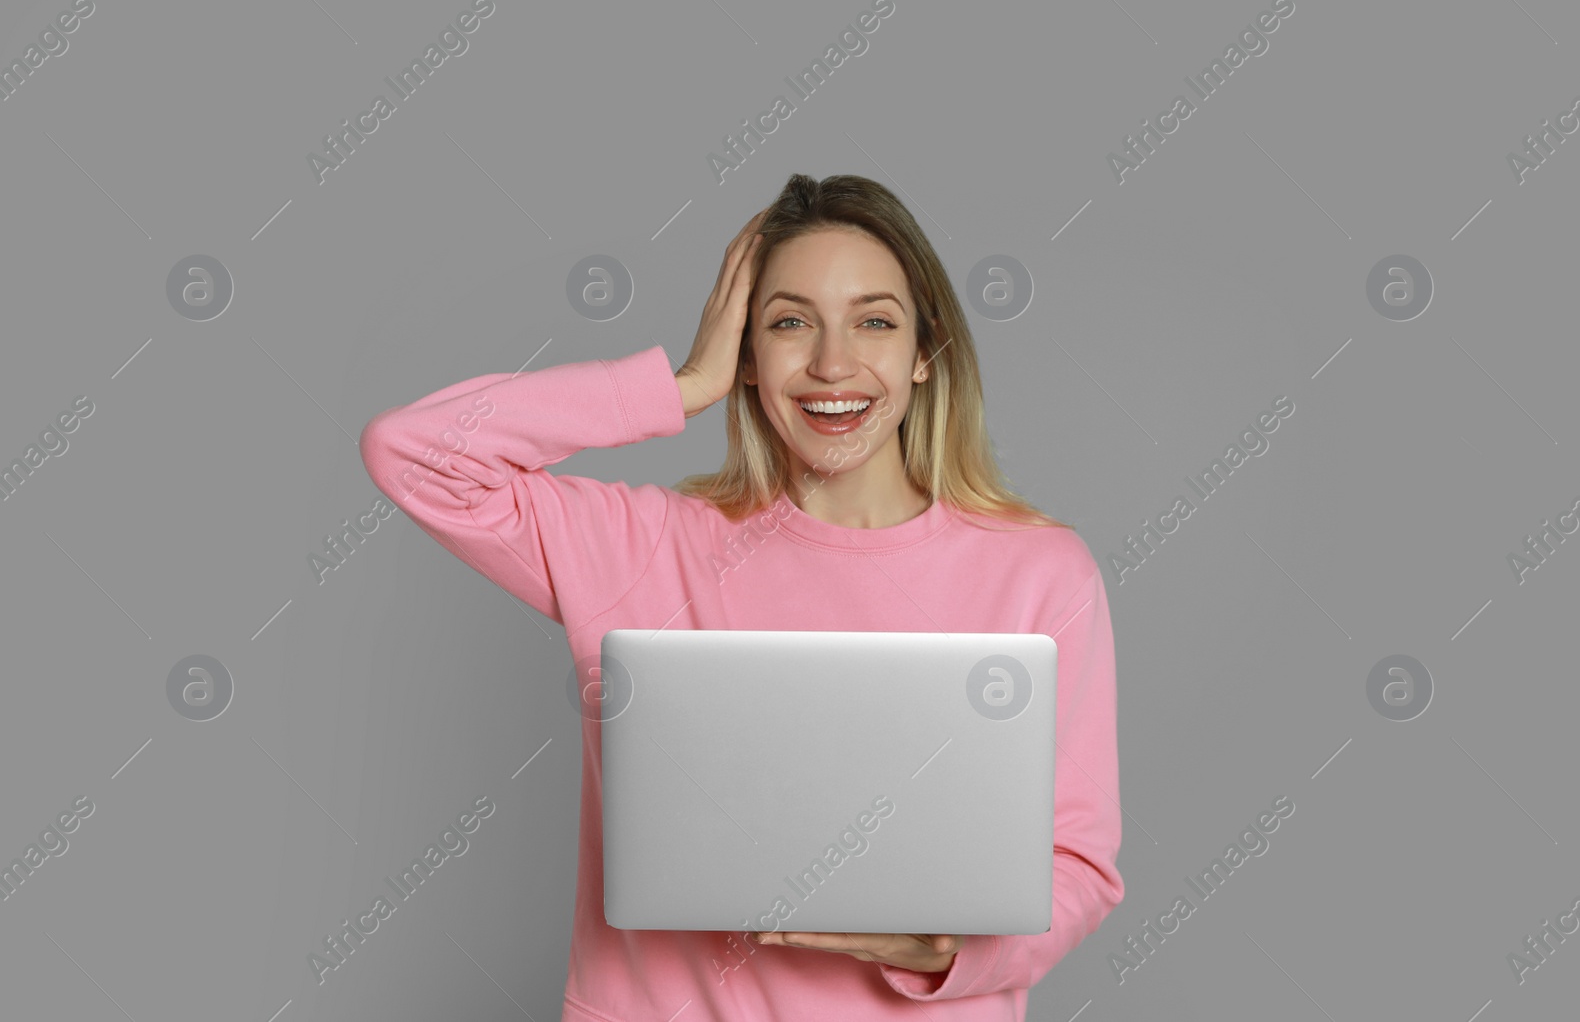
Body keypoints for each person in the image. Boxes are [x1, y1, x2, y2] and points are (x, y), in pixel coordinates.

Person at [358, 173, 1124, 1020]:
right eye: (790, 322)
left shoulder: (1043, 571)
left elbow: (1079, 863)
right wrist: (678, 387)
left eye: (874, 320)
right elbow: (412, 451)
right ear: (748, 355)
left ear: (923, 352)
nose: (833, 364)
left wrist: (951, 951)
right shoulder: (646, 545)